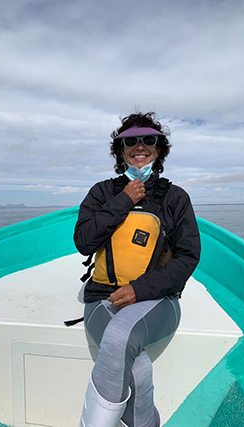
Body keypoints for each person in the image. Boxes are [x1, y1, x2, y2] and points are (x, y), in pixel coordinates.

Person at [74, 112, 201, 427]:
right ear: (120, 150)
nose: (139, 146)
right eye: (130, 141)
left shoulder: (175, 198)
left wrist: (139, 290)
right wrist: (123, 200)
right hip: (103, 298)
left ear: (159, 149)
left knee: (119, 335)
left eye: (149, 140)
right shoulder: (102, 192)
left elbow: (188, 255)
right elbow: (84, 241)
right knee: (138, 368)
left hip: (158, 300)